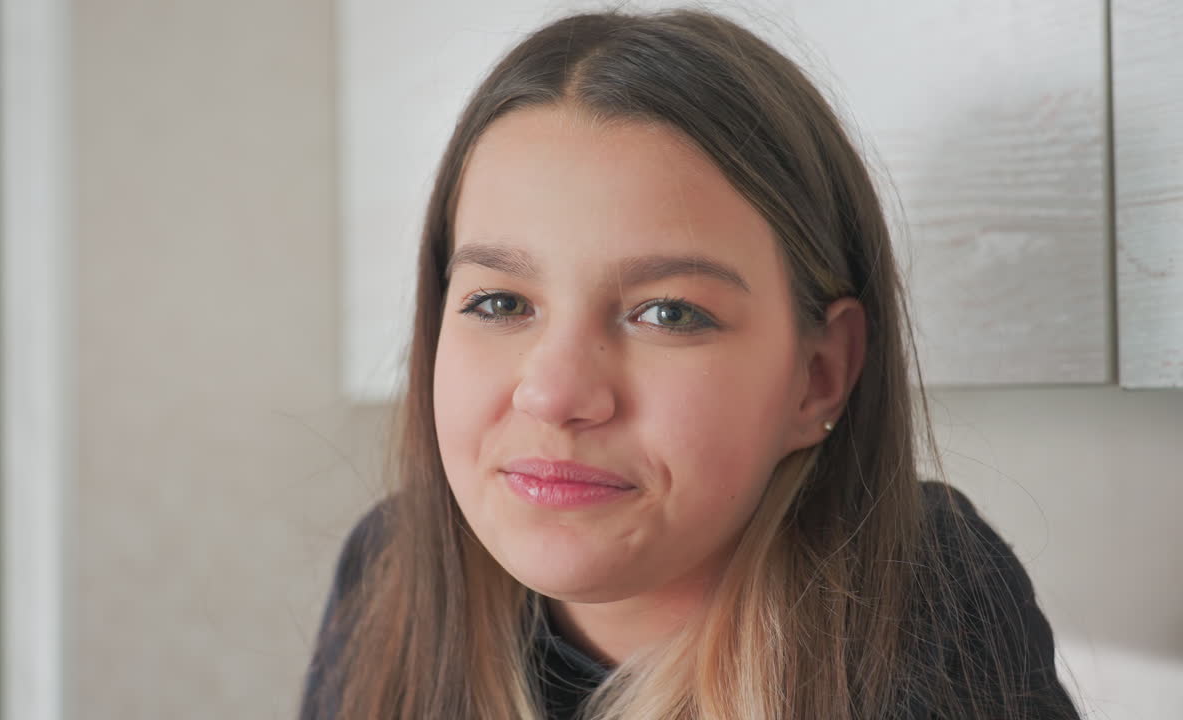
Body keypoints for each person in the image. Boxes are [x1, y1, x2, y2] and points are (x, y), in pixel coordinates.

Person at [300, 8, 1081, 719]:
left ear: (818, 377)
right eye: (501, 303)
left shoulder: (920, 597)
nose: (553, 392)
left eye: (668, 313)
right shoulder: (388, 574)